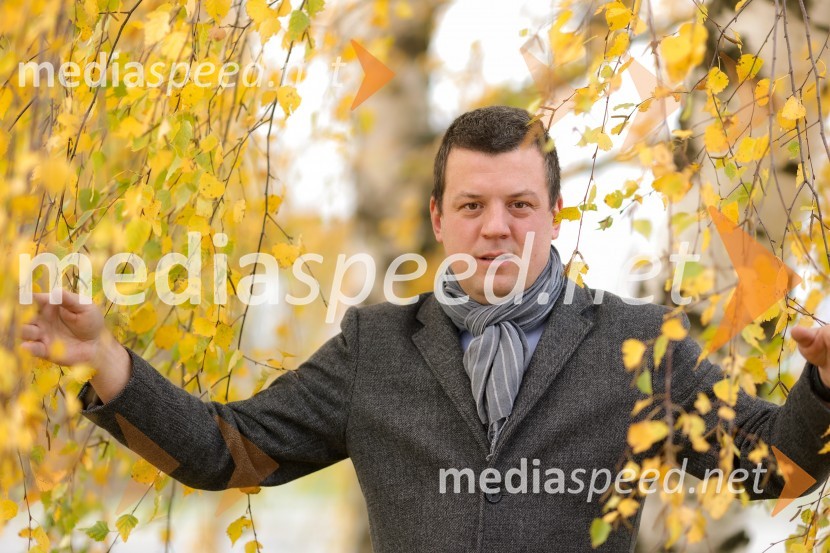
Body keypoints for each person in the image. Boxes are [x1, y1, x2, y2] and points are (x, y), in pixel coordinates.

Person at [19, 106, 830, 552]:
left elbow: (778, 470)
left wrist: (825, 383)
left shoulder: (639, 344)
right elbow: (226, 449)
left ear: (555, 216)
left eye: (520, 205)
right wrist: (104, 357)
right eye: (473, 206)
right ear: (440, 217)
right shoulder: (376, 345)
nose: (497, 228)